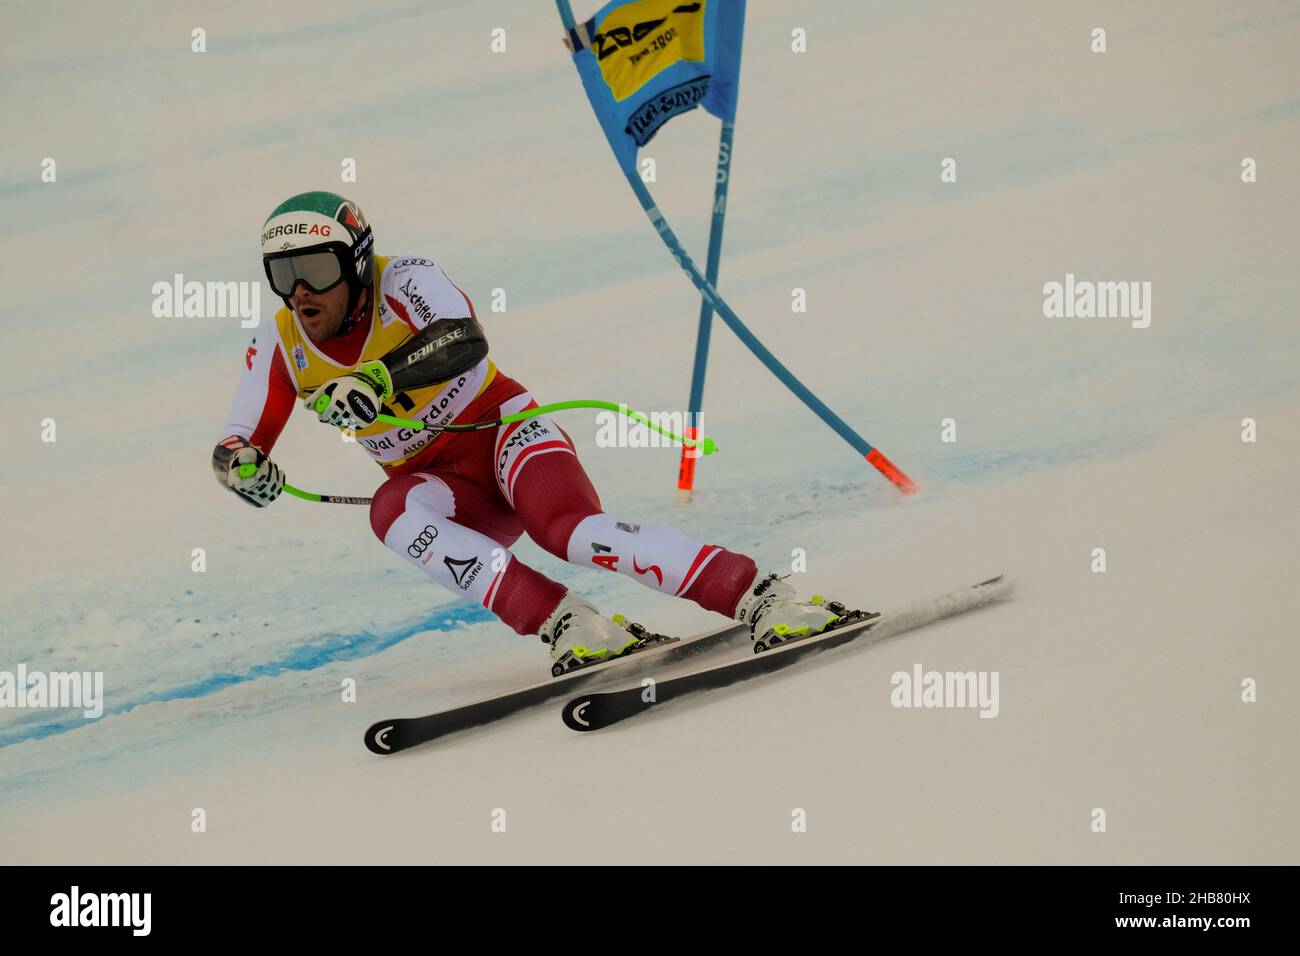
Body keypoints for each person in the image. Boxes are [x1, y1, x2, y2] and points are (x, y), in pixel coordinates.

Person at [213, 191, 845, 672]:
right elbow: (240, 435)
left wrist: (379, 381)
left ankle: (763, 595)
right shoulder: (281, 336)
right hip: (445, 487)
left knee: (567, 532)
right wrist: (241, 465)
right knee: (392, 513)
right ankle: (570, 624)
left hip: (505, 435)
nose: (299, 291)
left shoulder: (404, 279)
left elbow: (461, 340)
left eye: (317, 269)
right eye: (282, 271)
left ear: (354, 265)